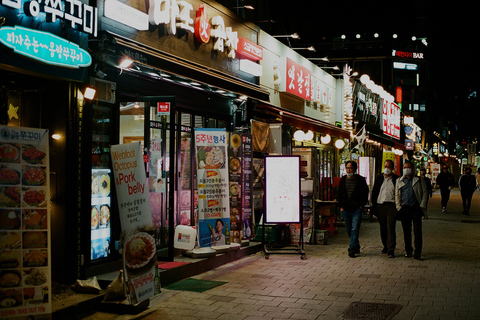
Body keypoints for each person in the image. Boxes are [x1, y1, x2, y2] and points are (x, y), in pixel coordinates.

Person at [395, 161, 428, 260]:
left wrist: (422, 206)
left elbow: (425, 193)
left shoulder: (419, 180)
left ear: (413, 169)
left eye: (408, 167)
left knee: (417, 231)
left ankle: (418, 252)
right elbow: (397, 194)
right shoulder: (399, 180)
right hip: (404, 208)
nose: (406, 169)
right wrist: (398, 207)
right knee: (406, 231)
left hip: (416, 208)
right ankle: (408, 250)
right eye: (404, 167)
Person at [338, 160, 369, 258]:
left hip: (356, 209)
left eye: (350, 168)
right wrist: (341, 206)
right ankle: (356, 245)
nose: (348, 170)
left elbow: (365, 193)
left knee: (355, 229)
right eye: (347, 168)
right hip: (345, 209)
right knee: (349, 229)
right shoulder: (342, 180)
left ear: (355, 169)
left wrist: (361, 205)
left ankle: (351, 248)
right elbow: (339, 194)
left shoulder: (360, 180)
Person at [371, 160, 399, 258]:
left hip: (392, 206)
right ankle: (385, 246)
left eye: (389, 166)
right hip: (380, 206)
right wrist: (373, 206)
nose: (386, 168)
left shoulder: (396, 179)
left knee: (390, 227)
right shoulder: (379, 179)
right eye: (385, 166)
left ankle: (391, 249)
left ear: (392, 168)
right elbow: (374, 192)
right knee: (383, 227)